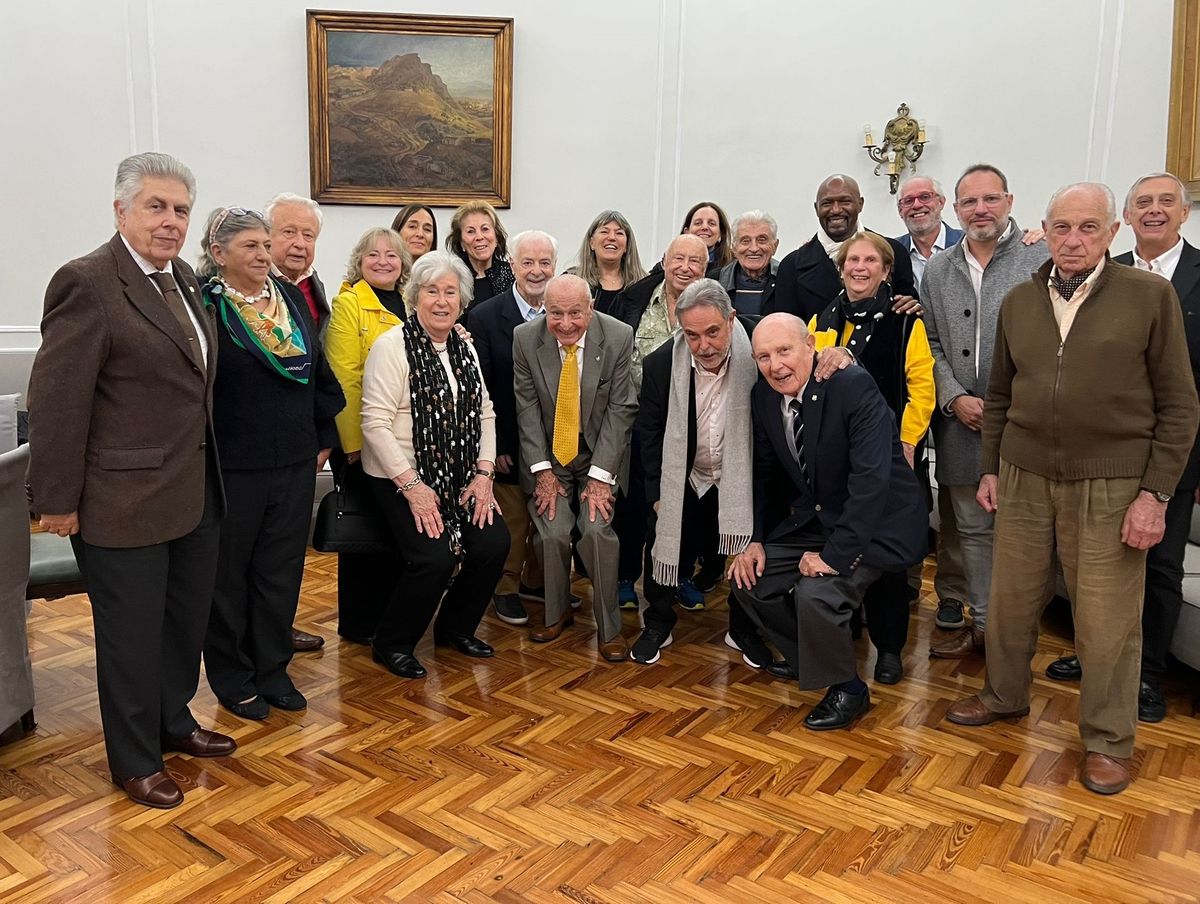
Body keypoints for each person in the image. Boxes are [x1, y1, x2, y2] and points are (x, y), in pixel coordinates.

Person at [945, 182, 1198, 796]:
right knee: (1010, 602)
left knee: (1107, 621)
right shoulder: (1020, 302)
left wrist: (1155, 495)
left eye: (1088, 228)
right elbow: (1000, 394)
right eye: (1062, 227)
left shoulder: (1149, 296)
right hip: (1025, 475)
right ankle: (1003, 695)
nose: (1074, 240)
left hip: (1113, 484)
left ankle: (1108, 740)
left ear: (1112, 232)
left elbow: (1180, 405)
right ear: (1045, 230)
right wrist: (991, 467)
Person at [27, 152, 234, 809]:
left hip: (193, 492)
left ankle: (173, 720)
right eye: (156, 207)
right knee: (132, 638)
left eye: (181, 210)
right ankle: (136, 758)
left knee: (182, 624)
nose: (171, 221)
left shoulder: (186, 279)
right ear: (121, 211)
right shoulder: (86, 282)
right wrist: (54, 502)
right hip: (121, 502)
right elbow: (58, 402)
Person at [1045, 172, 1200, 723]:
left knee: (1159, 564)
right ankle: (1098, 658)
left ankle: (1147, 674)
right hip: (1102, 457)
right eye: (1143, 203)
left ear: (1184, 213)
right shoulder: (1102, 276)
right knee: (1094, 563)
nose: (1154, 210)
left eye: (1166, 202)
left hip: (1176, 452)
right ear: (1126, 221)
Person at [729, 313, 926, 730]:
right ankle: (812, 660)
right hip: (822, 518)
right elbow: (764, 474)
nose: (775, 366)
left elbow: (871, 484)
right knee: (750, 580)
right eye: (763, 357)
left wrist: (832, 558)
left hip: (879, 524)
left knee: (815, 593)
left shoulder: (851, 386)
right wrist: (754, 539)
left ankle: (849, 690)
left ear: (810, 346)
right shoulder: (763, 397)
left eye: (784, 351)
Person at [196, 208, 344, 721]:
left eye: (265, 244)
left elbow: (317, 372)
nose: (264, 255)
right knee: (229, 577)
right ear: (219, 254)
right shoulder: (207, 308)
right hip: (234, 465)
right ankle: (233, 677)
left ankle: (272, 669)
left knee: (280, 572)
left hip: (295, 461)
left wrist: (323, 435)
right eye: (251, 246)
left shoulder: (289, 299)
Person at [360, 250, 509, 679]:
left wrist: (484, 475)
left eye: (450, 292)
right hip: (398, 476)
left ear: (462, 301)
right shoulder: (391, 346)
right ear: (415, 297)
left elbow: (486, 413)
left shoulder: (465, 348)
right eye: (431, 291)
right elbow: (374, 424)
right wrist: (413, 487)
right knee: (435, 558)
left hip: (462, 474)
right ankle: (392, 643)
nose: (442, 301)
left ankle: (455, 629)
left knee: (493, 543)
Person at [920, 164, 1048, 659]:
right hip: (961, 421)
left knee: (1024, 534)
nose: (980, 210)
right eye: (970, 202)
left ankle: (1015, 637)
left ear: (1009, 202)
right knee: (971, 529)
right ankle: (985, 629)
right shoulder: (939, 269)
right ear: (955, 209)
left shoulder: (1039, 257)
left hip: (1024, 425)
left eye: (990, 199)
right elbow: (929, 342)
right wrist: (954, 396)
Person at [633, 278, 782, 670]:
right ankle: (658, 622)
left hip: (743, 476)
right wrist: (657, 494)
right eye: (692, 335)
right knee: (662, 539)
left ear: (731, 319)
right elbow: (649, 433)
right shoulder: (661, 364)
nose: (704, 346)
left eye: (713, 332)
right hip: (686, 475)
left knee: (750, 549)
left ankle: (743, 629)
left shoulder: (760, 352)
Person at [808, 231, 935, 684]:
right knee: (844, 541)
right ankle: (847, 634)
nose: (859, 268)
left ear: (885, 271)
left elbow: (922, 387)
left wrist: (907, 442)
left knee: (887, 559)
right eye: (852, 260)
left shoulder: (905, 322)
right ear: (841, 268)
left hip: (892, 458)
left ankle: (889, 649)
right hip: (838, 461)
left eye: (869, 261)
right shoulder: (822, 318)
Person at [514, 274, 637, 661]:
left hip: (600, 454)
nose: (565, 324)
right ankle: (557, 613)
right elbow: (527, 410)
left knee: (596, 531)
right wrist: (542, 472)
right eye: (555, 314)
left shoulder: (618, 336)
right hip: (549, 455)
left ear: (591, 308)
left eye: (574, 314)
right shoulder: (525, 339)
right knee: (552, 531)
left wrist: (600, 477)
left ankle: (609, 628)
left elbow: (621, 410)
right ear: (544, 310)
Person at [608, 234, 709, 609]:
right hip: (637, 423)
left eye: (695, 261)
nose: (685, 267)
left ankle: (679, 576)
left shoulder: (711, 306)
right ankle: (625, 577)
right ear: (664, 261)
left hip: (691, 425)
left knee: (687, 507)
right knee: (633, 504)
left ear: (705, 268)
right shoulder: (634, 299)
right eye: (678, 258)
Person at [324, 228, 413, 645]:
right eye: (373, 255)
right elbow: (345, 377)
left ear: (403, 263)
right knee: (363, 533)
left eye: (391, 255)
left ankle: (394, 618)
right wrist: (354, 445)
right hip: (364, 441)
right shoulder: (349, 304)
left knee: (398, 531)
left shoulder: (411, 301)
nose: (383, 262)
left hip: (406, 442)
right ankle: (360, 625)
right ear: (359, 261)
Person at [467, 230, 558, 627]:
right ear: (513, 265)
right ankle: (504, 588)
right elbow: (483, 389)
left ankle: (536, 583)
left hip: (554, 440)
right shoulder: (485, 316)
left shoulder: (563, 313)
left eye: (545, 263)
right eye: (528, 263)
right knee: (513, 520)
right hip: (507, 441)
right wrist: (497, 444)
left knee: (547, 516)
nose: (537, 271)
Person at [264, 191, 332, 653]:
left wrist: (323, 435)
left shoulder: (313, 287)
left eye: (308, 235)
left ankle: (278, 629)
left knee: (287, 551)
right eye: (288, 232)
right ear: (266, 237)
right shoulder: (239, 292)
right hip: (254, 447)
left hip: (301, 442)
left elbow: (322, 370)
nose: (299, 243)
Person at [772, 173, 919, 322]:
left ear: (860, 204)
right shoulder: (791, 266)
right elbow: (784, 329)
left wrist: (912, 307)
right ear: (816, 208)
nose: (836, 210)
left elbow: (908, 312)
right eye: (827, 203)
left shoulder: (893, 252)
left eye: (845, 201)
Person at [570, 210, 648, 313]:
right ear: (591, 243)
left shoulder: (645, 286)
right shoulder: (572, 282)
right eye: (604, 232)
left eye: (619, 233)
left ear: (627, 246)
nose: (612, 237)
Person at [893, 176, 963, 287]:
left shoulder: (966, 243)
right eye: (908, 200)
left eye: (925, 197)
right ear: (900, 210)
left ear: (941, 202)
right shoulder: (892, 251)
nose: (917, 205)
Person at [715, 210, 781, 318]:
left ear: (775, 246)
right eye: (745, 241)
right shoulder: (716, 281)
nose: (754, 248)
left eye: (762, 240)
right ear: (734, 248)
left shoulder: (787, 278)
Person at [447, 200, 513, 306]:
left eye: (485, 229)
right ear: (461, 243)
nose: (479, 237)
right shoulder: (453, 278)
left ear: (496, 237)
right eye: (470, 231)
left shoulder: (514, 275)